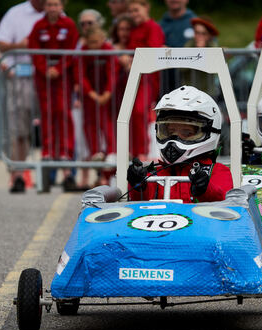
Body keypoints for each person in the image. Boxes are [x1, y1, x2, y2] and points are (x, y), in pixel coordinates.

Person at [127, 85, 233, 203]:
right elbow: (139, 204)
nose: (174, 140)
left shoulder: (218, 171)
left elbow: (224, 203)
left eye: (187, 133)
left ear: (210, 131)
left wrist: (205, 189)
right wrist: (137, 185)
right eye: (170, 132)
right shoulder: (154, 175)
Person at [0, 0, 44, 193]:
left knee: (54, 129)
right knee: (19, 129)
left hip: (48, 79)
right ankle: (17, 175)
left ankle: (53, 176)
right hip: (20, 78)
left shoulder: (56, 12)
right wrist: (22, 45)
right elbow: (1, 44)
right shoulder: (15, 13)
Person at [29, 0, 78, 192]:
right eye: (49, 4)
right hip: (44, 77)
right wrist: (44, 69)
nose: (52, 8)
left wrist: (58, 68)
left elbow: (71, 50)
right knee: (47, 114)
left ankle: (66, 153)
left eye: (56, 4)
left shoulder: (68, 25)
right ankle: (48, 151)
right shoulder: (38, 26)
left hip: (63, 76)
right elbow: (34, 51)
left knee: (63, 114)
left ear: (62, 6)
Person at [76, 27, 119, 188]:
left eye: (97, 41)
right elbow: (80, 74)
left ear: (103, 39)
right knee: (91, 131)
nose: (95, 45)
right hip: (90, 98)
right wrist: (91, 93)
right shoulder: (83, 52)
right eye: (91, 42)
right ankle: (100, 173)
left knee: (109, 133)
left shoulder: (108, 50)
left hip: (108, 98)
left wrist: (108, 91)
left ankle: (109, 175)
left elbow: (113, 71)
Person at [126, 0, 165, 161]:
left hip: (147, 77)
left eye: (136, 10)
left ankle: (143, 151)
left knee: (141, 112)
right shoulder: (135, 29)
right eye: (131, 11)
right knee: (134, 113)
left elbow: (152, 53)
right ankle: (136, 150)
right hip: (136, 76)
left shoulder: (152, 27)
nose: (134, 14)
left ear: (146, 8)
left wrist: (130, 61)